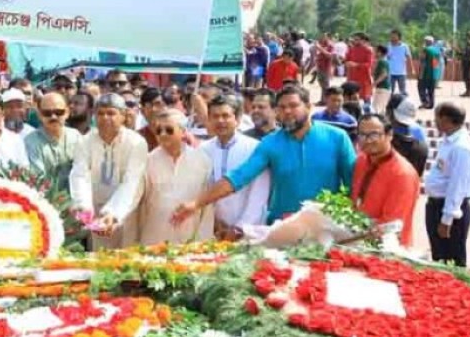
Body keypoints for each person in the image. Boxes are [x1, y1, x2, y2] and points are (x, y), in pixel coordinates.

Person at [174, 86, 356, 226]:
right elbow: (239, 177)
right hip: (282, 226)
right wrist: (196, 204)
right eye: (282, 107)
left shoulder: (337, 137)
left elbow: (353, 183)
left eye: (293, 106)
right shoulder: (270, 143)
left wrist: (353, 220)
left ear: (309, 107)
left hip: (326, 224)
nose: (287, 112)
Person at [69, 93, 148, 249]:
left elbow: (132, 182)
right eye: (100, 113)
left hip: (126, 211)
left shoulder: (136, 143)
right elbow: (80, 175)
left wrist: (114, 213)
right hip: (95, 212)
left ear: (123, 116)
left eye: (111, 113)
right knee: (98, 260)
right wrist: (83, 206)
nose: (105, 118)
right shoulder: (85, 141)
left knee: (126, 260)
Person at [140, 110, 214, 244]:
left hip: (190, 237)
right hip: (154, 237)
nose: (163, 134)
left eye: (169, 130)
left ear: (183, 131)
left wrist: (204, 240)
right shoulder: (147, 161)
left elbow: (207, 206)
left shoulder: (202, 160)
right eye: (158, 130)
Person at [200, 94, 269, 239]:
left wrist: (240, 228)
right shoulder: (203, 150)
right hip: (213, 230)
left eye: (226, 116)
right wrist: (212, 222)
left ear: (237, 119)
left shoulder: (255, 148)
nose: (220, 121)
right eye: (215, 116)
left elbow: (259, 195)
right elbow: (203, 190)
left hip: (248, 231)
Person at [423, 102, 470, 267]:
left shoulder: (462, 147)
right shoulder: (449, 140)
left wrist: (447, 219)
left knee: (451, 260)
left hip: (450, 210)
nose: (434, 121)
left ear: (446, 119)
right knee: (438, 257)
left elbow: (458, 186)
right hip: (437, 205)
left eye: (437, 117)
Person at [351, 114, 422, 246]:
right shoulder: (361, 161)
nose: (367, 140)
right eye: (362, 135)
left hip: (388, 248)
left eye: (374, 135)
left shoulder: (402, 174)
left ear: (390, 135)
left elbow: (391, 225)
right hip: (359, 242)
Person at [25, 91, 83, 191]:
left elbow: (83, 172)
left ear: (67, 113)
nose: (53, 117)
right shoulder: (30, 142)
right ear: (39, 115)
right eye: (47, 113)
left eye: (59, 112)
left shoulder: (76, 136)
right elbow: (38, 180)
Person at [385, 29, 412, 96]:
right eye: (391, 36)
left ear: (399, 37)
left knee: (402, 90)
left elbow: (409, 57)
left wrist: (411, 69)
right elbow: (385, 57)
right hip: (390, 72)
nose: (392, 38)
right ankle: (389, 104)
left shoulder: (404, 46)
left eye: (394, 36)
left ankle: (402, 103)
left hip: (401, 72)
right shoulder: (388, 46)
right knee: (390, 90)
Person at [417, 36, 440, 110]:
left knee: (421, 87)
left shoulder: (425, 49)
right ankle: (431, 104)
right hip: (434, 73)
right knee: (431, 90)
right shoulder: (437, 50)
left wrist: (420, 74)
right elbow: (436, 63)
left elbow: (423, 61)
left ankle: (425, 102)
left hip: (425, 73)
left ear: (426, 42)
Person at [371, 44, 392, 114]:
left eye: (376, 51)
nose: (374, 53)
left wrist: (375, 83)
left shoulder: (382, 62)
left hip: (382, 87)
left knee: (376, 108)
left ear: (380, 52)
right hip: (384, 87)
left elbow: (384, 74)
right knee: (381, 109)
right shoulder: (382, 61)